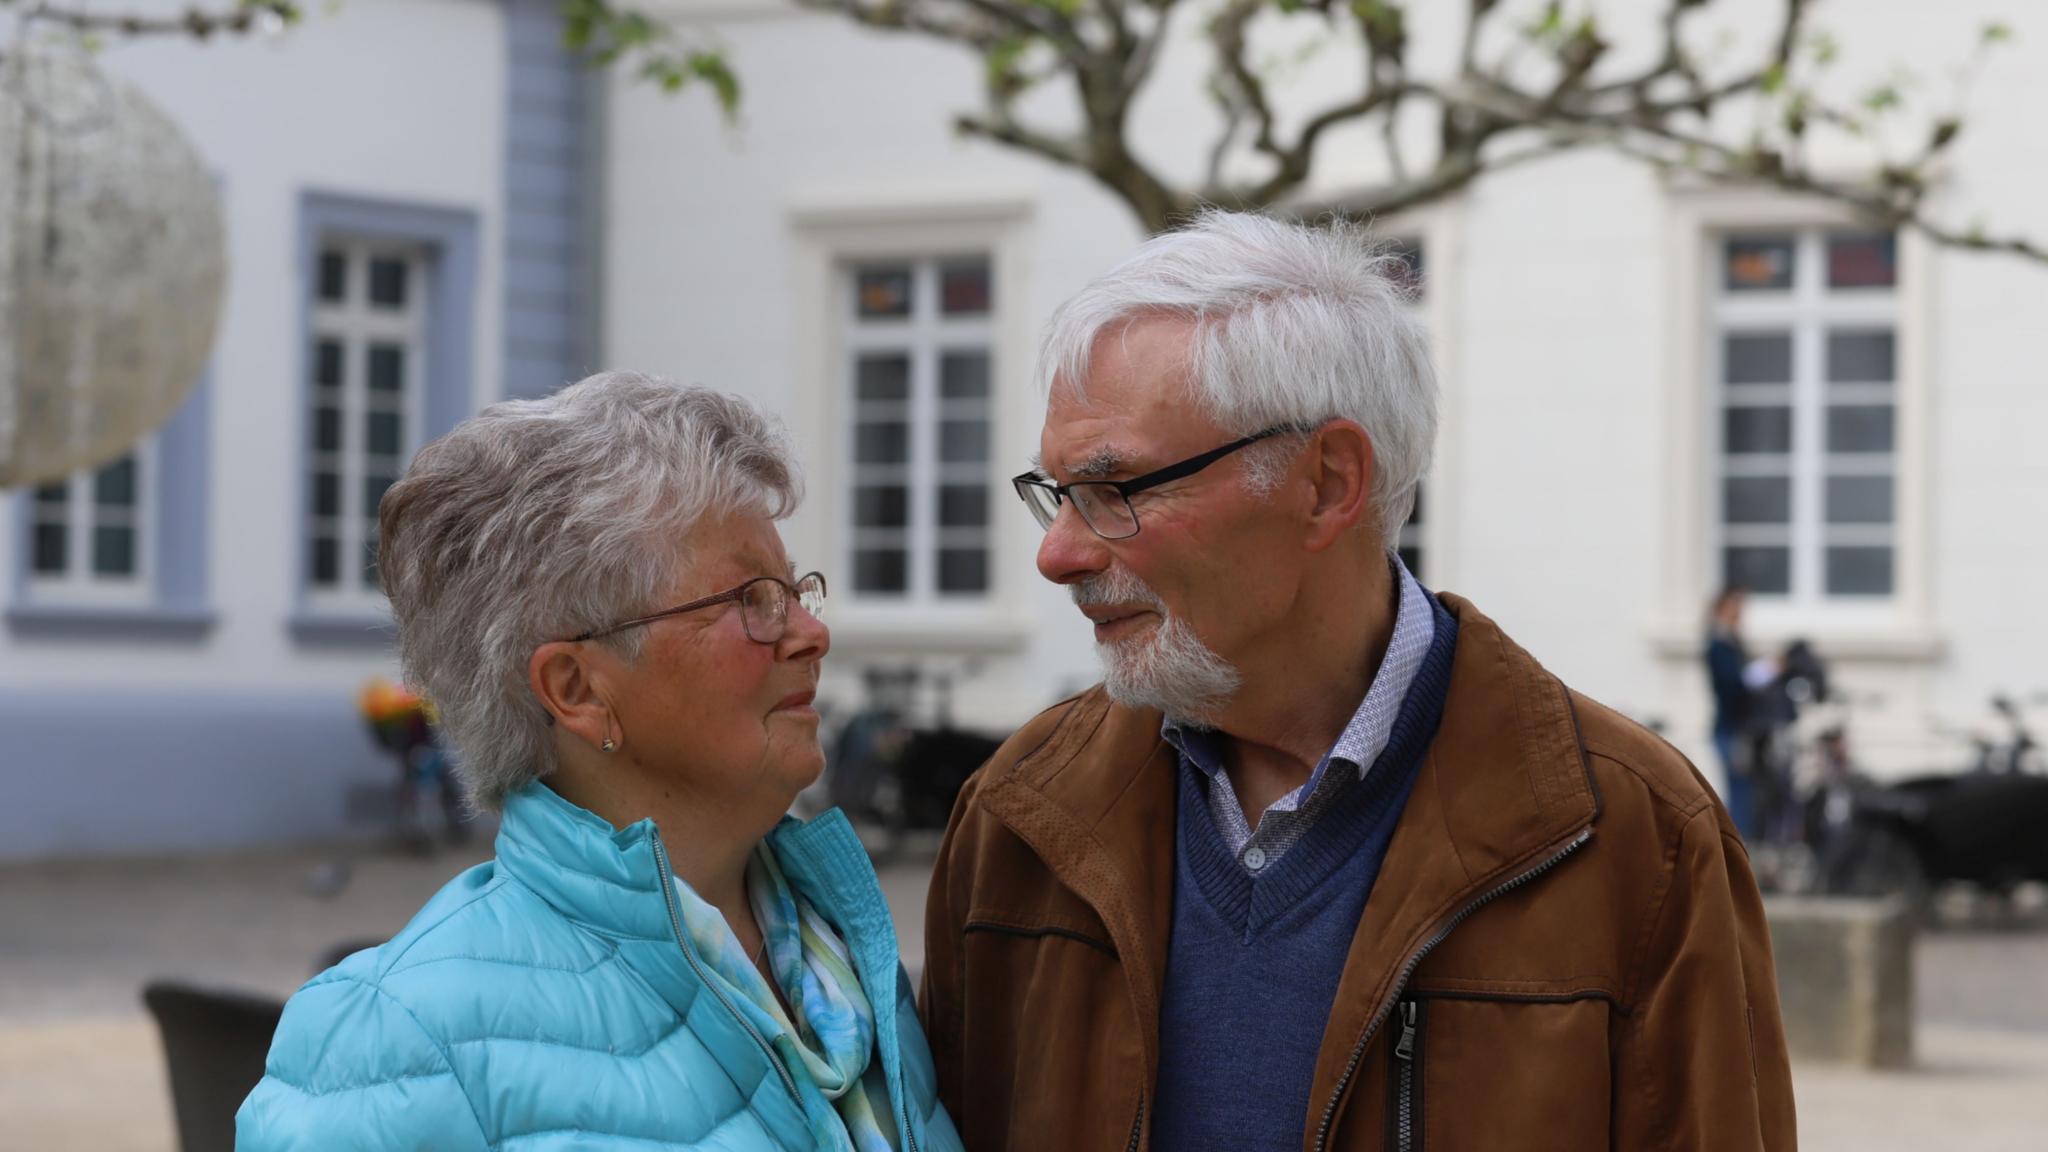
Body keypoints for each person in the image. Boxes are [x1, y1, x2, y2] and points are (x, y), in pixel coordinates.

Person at [921, 212, 1795, 1150]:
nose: (1057, 554)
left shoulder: (1635, 838)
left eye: (1115, 490)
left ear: (1328, 482)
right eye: (1055, 494)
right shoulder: (1020, 818)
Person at [239, 372, 963, 1152]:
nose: (810, 634)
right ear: (577, 689)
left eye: (795, 591)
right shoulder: (397, 1044)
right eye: (753, 599)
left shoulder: (843, 961)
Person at [1706, 585, 1759, 840]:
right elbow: (1732, 685)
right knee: (1738, 791)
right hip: (1731, 728)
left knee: (1744, 792)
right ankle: (1736, 846)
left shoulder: (1733, 642)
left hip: (1738, 727)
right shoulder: (1719, 644)